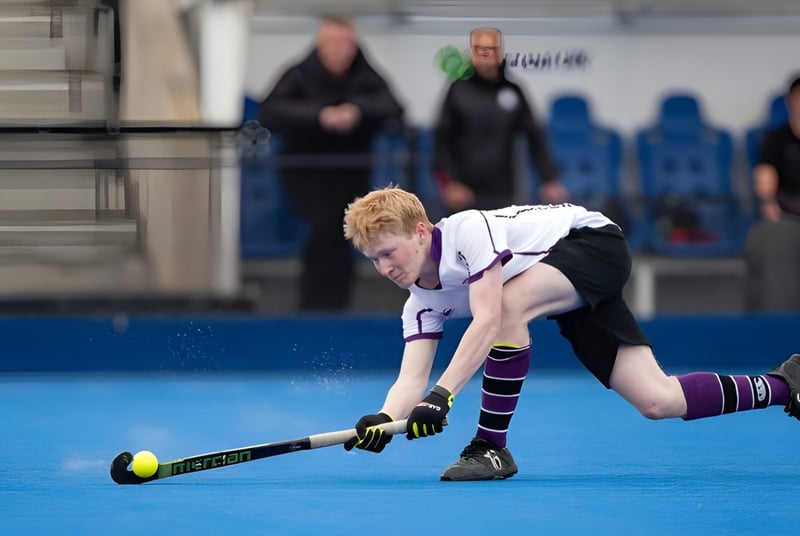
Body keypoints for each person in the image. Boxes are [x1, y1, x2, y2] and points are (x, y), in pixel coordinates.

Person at [341, 185, 799, 481]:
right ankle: (786, 384)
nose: (384, 268)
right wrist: (385, 418)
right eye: (373, 260)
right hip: (557, 282)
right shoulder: (419, 303)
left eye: (388, 253)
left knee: (508, 307)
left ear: (421, 232)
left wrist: (441, 396)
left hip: (591, 245)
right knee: (658, 401)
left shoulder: (465, 232)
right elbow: (409, 379)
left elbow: (487, 320)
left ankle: (490, 448)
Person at [258, 15, 404, 311]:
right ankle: (312, 305)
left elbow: (393, 108)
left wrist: (356, 111)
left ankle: (339, 307)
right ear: (320, 46)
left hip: (351, 173)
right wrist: (320, 115)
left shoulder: (365, 74)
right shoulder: (299, 74)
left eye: (346, 44)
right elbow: (271, 111)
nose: (341, 51)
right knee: (322, 230)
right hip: (305, 173)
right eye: (333, 44)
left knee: (348, 235)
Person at [432, 27, 568, 214]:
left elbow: (534, 137)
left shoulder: (514, 91)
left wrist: (548, 179)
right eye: (479, 48)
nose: (486, 53)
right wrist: (450, 184)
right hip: (464, 192)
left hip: (504, 192)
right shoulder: (458, 90)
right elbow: (442, 142)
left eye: (491, 48)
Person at [744, 74, 800, 312]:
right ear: (790, 101)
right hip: (787, 219)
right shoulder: (775, 140)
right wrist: (773, 213)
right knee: (776, 238)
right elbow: (765, 189)